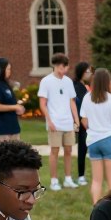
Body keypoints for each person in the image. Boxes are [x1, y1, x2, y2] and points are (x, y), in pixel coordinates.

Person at [80, 68, 111, 204]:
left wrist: (94, 127)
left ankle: (96, 207)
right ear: (107, 81)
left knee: (96, 180)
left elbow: (84, 121)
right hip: (110, 140)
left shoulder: (87, 98)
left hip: (93, 141)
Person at [38, 52, 79, 192]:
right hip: (54, 123)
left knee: (69, 150)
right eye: (60, 67)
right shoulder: (46, 81)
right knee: (54, 151)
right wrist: (49, 121)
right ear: (55, 66)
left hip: (68, 123)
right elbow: (42, 103)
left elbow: (71, 102)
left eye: (65, 67)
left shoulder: (68, 82)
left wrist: (76, 120)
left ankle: (68, 179)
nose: (63, 70)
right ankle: (54, 181)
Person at [0, 57, 24, 142]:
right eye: (8, 69)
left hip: (13, 128)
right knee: (3, 155)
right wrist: (15, 107)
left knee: (17, 154)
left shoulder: (5, 84)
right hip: (2, 130)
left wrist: (17, 105)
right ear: (1, 70)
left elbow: (8, 101)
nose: (10, 71)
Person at [73, 61, 93, 186]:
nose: (89, 73)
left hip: (87, 121)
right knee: (82, 149)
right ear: (82, 72)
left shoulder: (83, 85)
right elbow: (77, 105)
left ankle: (82, 175)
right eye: (88, 71)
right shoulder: (76, 86)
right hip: (81, 122)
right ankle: (81, 176)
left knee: (86, 148)